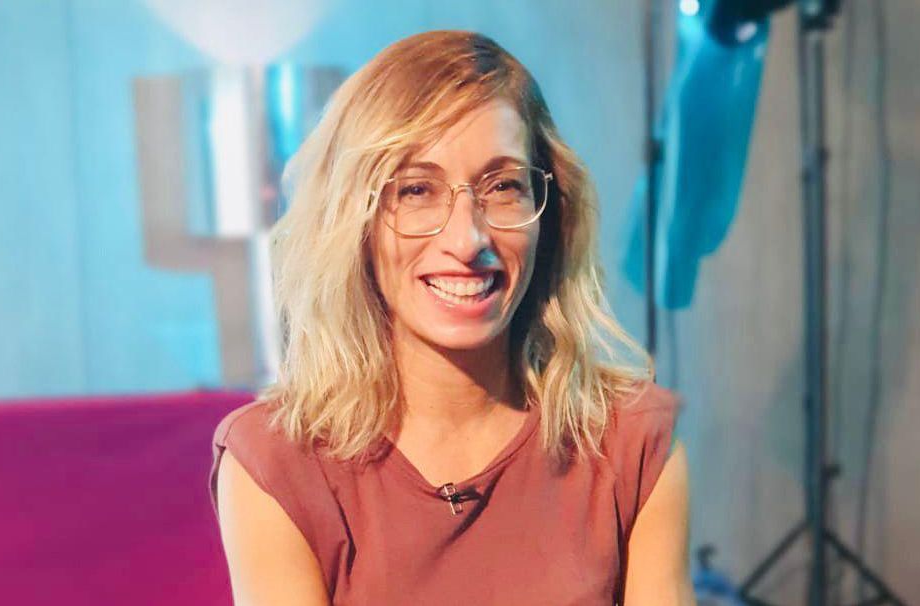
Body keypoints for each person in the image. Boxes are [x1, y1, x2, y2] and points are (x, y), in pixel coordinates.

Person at [209, 30, 693, 605]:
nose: (468, 239)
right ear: (354, 220)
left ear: (548, 214)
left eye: (504, 186)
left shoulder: (632, 443)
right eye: (417, 190)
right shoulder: (278, 463)